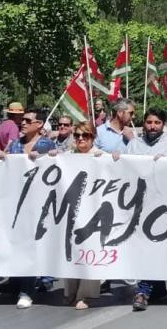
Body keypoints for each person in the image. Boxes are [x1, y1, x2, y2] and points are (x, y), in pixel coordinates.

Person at [124, 108, 167, 311]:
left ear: (163, 125)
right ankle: (156, 287)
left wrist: (166, 165)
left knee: (152, 246)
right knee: (142, 247)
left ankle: (143, 291)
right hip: (136, 204)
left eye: (157, 123)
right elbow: (122, 170)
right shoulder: (133, 145)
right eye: (149, 122)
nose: (152, 126)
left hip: (160, 206)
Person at [5, 109, 57, 308]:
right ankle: (17, 281)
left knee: (31, 245)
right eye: (22, 120)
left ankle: (27, 289)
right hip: (16, 202)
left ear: (39, 124)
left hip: (39, 203)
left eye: (28, 120)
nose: (23, 123)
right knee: (17, 244)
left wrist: (51, 156)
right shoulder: (17, 144)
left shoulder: (45, 144)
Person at [60, 121, 102, 310]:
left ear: (93, 138)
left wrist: (116, 158)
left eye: (85, 136)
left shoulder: (102, 157)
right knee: (69, 250)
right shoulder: (67, 157)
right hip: (71, 211)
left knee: (89, 252)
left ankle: (86, 294)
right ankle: (70, 290)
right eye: (77, 135)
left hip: (94, 211)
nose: (80, 139)